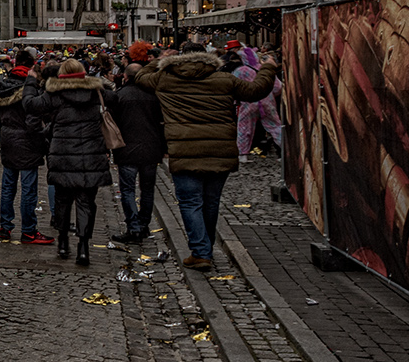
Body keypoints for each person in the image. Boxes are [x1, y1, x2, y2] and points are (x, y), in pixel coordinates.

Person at [136, 42, 278, 269]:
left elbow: (140, 76)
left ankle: (201, 251)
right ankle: (205, 249)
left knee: (190, 202)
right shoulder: (224, 79)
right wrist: (268, 68)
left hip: (184, 151)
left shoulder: (165, 79)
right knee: (211, 202)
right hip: (219, 151)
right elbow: (256, 91)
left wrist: (160, 60)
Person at [23, 58, 111, 266]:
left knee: (63, 201)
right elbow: (116, 100)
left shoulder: (55, 94)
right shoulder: (96, 93)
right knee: (86, 203)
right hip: (91, 155)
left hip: (63, 155)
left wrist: (30, 82)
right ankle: (83, 247)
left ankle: (63, 241)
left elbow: (30, 105)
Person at [0, 49, 51, 245]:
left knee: (8, 187)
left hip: (8, 138)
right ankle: (29, 230)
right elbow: (36, 118)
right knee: (28, 189)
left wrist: (3, 132)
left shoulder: (1, 85)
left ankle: (5, 228)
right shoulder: (31, 87)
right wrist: (42, 140)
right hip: (28, 141)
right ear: (32, 65)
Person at [106, 62, 166, 244]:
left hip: (127, 149)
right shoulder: (155, 96)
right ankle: (143, 225)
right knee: (147, 190)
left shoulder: (120, 96)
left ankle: (133, 227)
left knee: (128, 190)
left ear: (125, 76)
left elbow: (112, 125)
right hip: (151, 148)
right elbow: (162, 122)